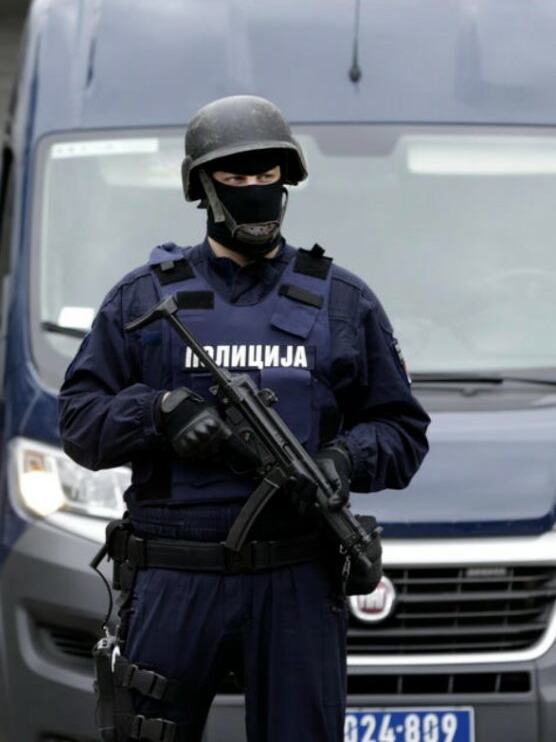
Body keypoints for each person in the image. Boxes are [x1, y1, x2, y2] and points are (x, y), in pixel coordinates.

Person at [57, 95, 430, 742]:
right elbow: (79, 421)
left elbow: (402, 429)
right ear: (203, 187)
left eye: (267, 175)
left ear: (286, 181)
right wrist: (159, 413)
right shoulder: (146, 299)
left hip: (295, 577)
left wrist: (344, 459)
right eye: (236, 175)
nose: (255, 188)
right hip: (175, 574)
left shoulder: (341, 302)